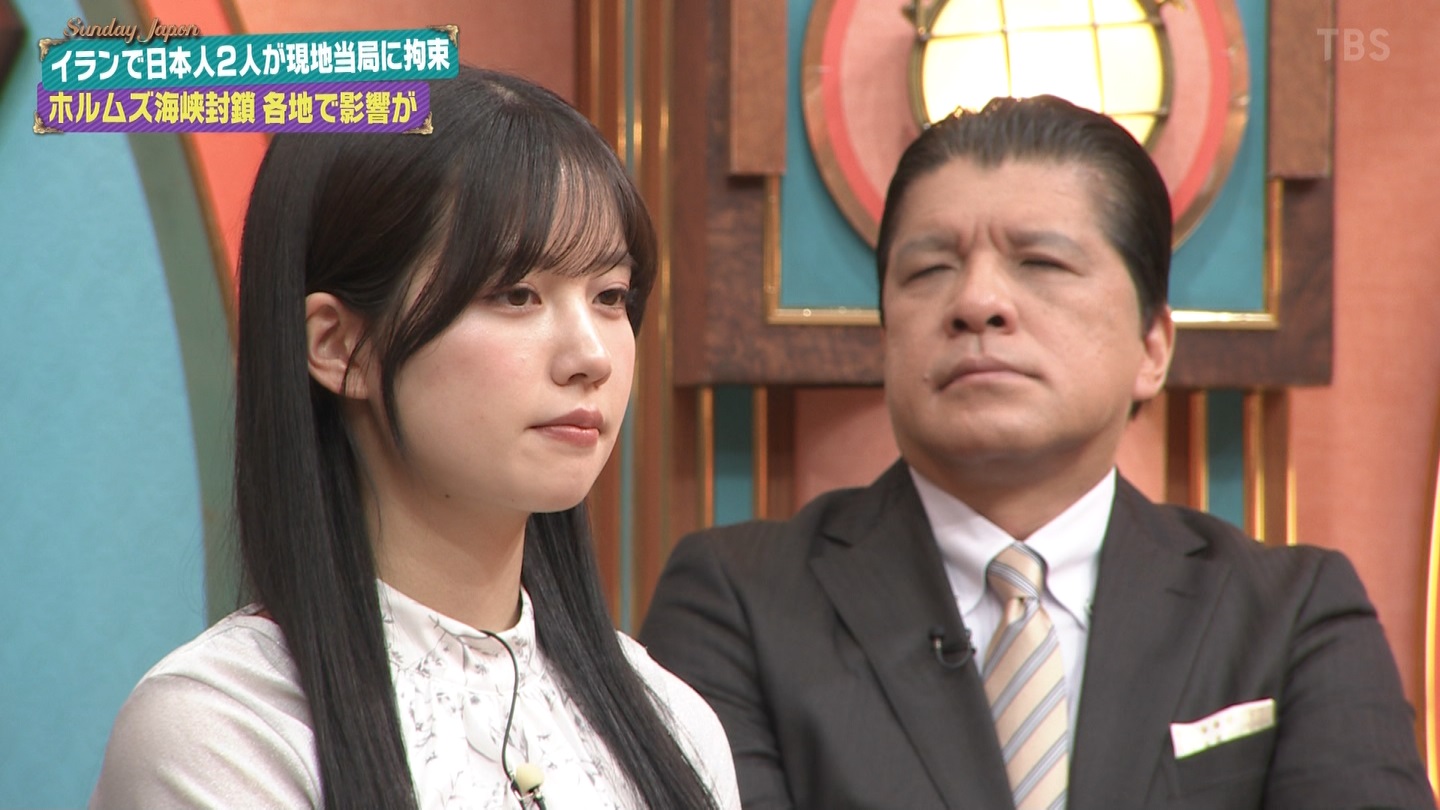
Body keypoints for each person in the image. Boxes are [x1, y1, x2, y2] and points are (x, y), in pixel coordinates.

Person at [639, 96, 1435, 810]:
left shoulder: (1289, 613)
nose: (977, 301)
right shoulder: (737, 602)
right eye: (930, 268)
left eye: (1042, 263)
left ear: (1152, 346)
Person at [91, 67, 740, 810]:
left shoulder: (672, 723)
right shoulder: (228, 729)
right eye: (517, 294)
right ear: (340, 346)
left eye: (611, 296)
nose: (591, 356)